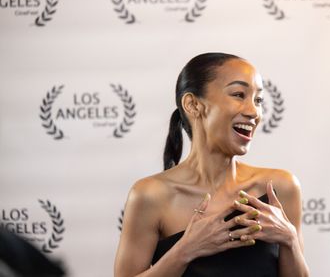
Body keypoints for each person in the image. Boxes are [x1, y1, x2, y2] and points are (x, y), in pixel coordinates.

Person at [114, 53, 309, 277]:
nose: (254, 112)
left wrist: (290, 239)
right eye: (239, 95)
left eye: (258, 100)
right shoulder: (149, 195)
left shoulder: (281, 187)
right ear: (193, 104)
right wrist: (185, 250)